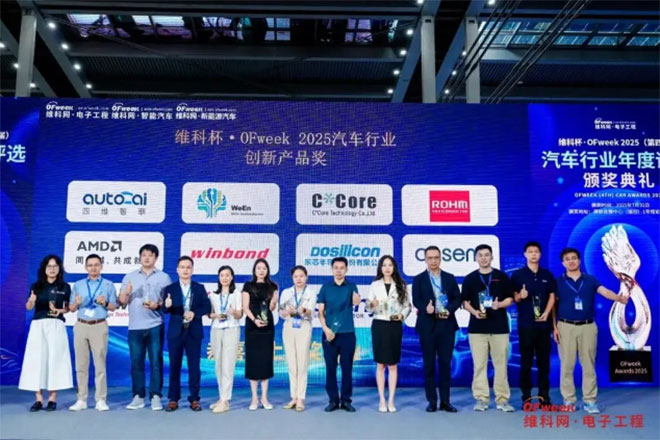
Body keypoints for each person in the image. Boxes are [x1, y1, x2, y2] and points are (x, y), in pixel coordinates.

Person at [553, 247, 628, 414]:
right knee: (566, 365)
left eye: (574, 258)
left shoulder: (590, 279)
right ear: (563, 263)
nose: (571, 261)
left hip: (587, 326)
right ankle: (569, 400)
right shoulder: (558, 282)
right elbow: (552, 306)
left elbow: (604, 292)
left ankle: (590, 401)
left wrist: (619, 298)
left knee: (588, 365)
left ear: (579, 260)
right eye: (567, 259)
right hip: (565, 326)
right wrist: (554, 327)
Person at [462, 244, 515, 412]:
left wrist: (500, 304)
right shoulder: (470, 278)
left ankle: (502, 399)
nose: (484, 258)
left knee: (501, 365)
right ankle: (481, 399)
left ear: (492, 257)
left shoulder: (501, 276)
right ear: (476, 258)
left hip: (499, 327)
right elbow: (464, 302)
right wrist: (474, 312)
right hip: (477, 328)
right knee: (479, 365)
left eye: (487, 255)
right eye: (480, 255)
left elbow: (510, 299)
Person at [118, 244, 172, 411]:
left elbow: (167, 304)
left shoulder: (164, 278)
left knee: (156, 361)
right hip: (135, 327)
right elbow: (121, 302)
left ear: (156, 258)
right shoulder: (129, 277)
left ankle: (155, 396)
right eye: (144, 255)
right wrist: (127, 292)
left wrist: (158, 305)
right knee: (136, 362)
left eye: (150, 255)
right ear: (140, 257)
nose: (147, 258)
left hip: (155, 325)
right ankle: (138, 396)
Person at [18, 255, 73, 411]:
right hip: (38, 325)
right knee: (37, 360)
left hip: (56, 325)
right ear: (44, 269)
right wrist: (31, 300)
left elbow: (68, 308)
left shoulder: (65, 287)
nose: (52, 269)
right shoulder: (36, 286)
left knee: (55, 359)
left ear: (59, 269)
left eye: (55, 266)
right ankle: (38, 399)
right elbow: (29, 307)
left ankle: (52, 398)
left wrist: (59, 311)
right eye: (49, 266)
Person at [412, 246, 461, 413]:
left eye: (436, 257)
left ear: (440, 258)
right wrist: (425, 308)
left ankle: (446, 401)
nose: (433, 261)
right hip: (427, 326)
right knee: (429, 364)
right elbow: (416, 300)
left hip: (446, 325)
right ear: (425, 259)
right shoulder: (419, 279)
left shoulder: (449, 277)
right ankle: (432, 401)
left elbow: (457, 299)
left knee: (445, 364)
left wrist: (450, 310)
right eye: (430, 258)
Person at [68, 254, 118, 412]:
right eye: (90, 265)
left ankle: (100, 399)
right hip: (81, 325)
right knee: (81, 364)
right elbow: (71, 308)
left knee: (100, 364)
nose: (93, 268)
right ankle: (81, 399)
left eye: (96, 265)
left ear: (101, 266)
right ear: (86, 267)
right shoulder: (78, 285)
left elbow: (114, 306)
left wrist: (104, 303)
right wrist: (76, 304)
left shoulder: (108, 284)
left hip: (99, 325)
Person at [511, 241, 556, 408]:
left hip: (544, 325)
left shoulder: (547, 274)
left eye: (536, 251)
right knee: (526, 362)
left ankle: (544, 397)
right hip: (526, 325)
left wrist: (547, 313)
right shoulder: (518, 275)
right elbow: (513, 298)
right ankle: (526, 397)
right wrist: (520, 296)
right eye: (530, 252)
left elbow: (552, 296)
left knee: (544, 363)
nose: (533, 254)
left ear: (540, 254)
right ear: (525, 254)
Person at [162, 256, 211, 412]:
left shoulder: (199, 288)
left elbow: (206, 307)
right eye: (182, 267)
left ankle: (194, 399)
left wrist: (194, 313)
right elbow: (164, 310)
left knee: (194, 366)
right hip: (176, 332)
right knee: (174, 366)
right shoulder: (170, 289)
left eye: (188, 267)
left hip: (193, 331)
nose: (185, 270)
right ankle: (173, 399)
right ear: (177, 270)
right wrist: (167, 305)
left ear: (192, 270)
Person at [367, 255, 410, 413]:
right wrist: (372, 304)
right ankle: (382, 399)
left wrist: (401, 315)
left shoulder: (401, 285)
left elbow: (408, 306)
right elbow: (368, 307)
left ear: (394, 267)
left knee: (392, 364)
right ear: (380, 267)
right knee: (380, 364)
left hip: (394, 325)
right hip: (379, 324)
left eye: (390, 265)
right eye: (384, 265)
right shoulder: (374, 285)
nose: (387, 268)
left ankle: (391, 400)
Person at [318, 257, 361, 413]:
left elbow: (356, 302)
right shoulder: (325, 287)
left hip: (347, 333)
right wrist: (325, 329)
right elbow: (320, 312)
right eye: (336, 267)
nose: (339, 270)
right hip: (329, 334)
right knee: (330, 368)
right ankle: (333, 401)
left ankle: (346, 401)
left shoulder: (351, 286)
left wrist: (357, 300)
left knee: (347, 368)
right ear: (332, 269)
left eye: (342, 268)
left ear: (346, 269)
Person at [242, 258, 278, 411]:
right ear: (254, 270)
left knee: (265, 361)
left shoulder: (273, 286)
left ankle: (264, 397)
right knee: (252, 361)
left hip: (267, 326)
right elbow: (245, 307)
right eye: (259, 268)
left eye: (264, 268)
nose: (261, 271)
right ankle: (254, 398)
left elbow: (272, 308)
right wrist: (254, 320)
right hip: (252, 326)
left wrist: (274, 301)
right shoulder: (248, 285)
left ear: (267, 270)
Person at [279, 265, 317, 412]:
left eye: (301, 276)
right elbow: (281, 313)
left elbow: (311, 313)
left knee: (302, 363)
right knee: (291, 363)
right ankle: (293, 396)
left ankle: (301, 397)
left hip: (304, 326)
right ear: (292, 278)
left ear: (306, 277)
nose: (299, 279)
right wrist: (287, 311)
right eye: (296, 276)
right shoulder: (286, 292)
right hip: (289, 326)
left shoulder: (311, 292)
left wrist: (304, 310)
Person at [208, 265, 242, 414]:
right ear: (218, 277)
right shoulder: (213, 295)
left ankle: (225, 400)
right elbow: (209, 314)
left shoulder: (236, 294)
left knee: (228, 365)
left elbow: (240, 314)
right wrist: (215, 315)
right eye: (222, 275)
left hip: (231, 328)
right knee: (218, 365)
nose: (225, 278)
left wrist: (233, 312)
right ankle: (222, 398)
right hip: (216, 329)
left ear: (232, 277)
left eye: (227, 275)